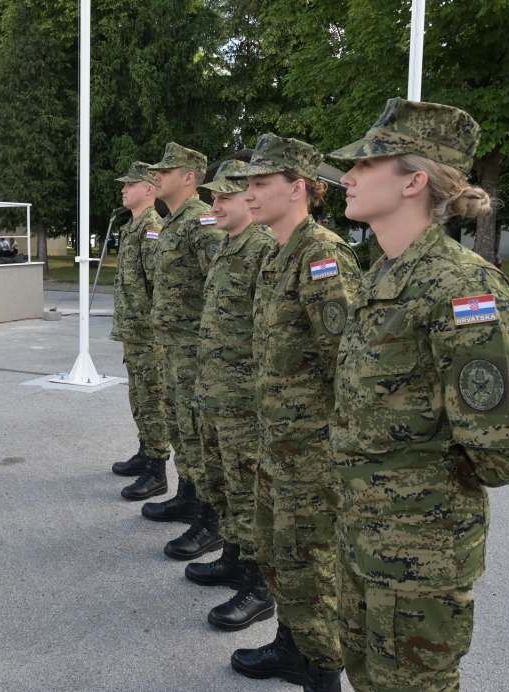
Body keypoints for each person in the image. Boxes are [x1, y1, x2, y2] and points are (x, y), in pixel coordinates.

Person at [326, 98, 509, 692]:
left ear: (414, 181)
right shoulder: (385, 274)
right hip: (361, 536)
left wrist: (429, 489)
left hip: (419, 554)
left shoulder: (459, 285)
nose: (347, 177)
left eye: (365, 164)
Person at [226, 135, 361, 692]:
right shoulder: (278, 253)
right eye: (248, 184)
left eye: (261, 184)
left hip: (310, 453)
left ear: (298, 187)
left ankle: (322, 672)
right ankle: (292, 647)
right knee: (278, 557)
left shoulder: (322, 257)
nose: (249, 195)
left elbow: (348, 364)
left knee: (311, 566)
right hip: (275, 442)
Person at [183, 159, 278, 631]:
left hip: (244, 401)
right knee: (223, 484)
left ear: (249, 200)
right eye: (214, 197)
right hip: (216, 392)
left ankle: (259, 587)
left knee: (247, 493)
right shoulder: (226, 245)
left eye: (226, 197)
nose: (215, 205)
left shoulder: (263, 249)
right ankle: (234, 558)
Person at [123, 142, 227, 558]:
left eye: (166, 171)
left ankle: (210, 521)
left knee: (198, 433)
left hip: (193, 349)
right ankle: (188, 496)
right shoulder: (173, 222)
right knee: (182, 427)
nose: (157, 177)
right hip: (171, 347)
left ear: (188, 178)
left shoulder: (201, 221)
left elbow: (219, 284)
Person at [108, 162, 170, 481]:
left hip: (148, 335)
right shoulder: (131, 227)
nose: (124, 189)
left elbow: (159, 283)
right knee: (138, 397)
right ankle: (146, 452)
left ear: (149, 189)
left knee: (152, 399)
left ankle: (157, 471)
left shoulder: (152, 228)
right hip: (133, 332)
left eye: (130, 184)